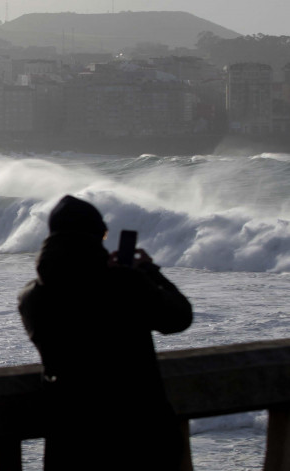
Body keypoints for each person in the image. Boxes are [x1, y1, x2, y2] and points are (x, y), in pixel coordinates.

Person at [18, 195, 192, 471]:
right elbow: (179, 318)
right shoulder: (126, 284)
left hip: (72, 443)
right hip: (140, 440)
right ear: (98, 234)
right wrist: (149, 272)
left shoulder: (31, 297)